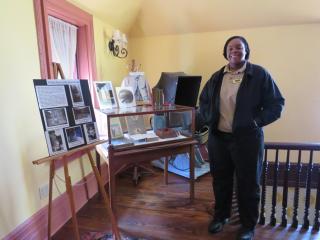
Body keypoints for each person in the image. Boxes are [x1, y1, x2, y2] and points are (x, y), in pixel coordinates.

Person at [199, 36, 284, 240]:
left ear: (246, 51)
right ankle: (221, 217)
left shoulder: (259, 75)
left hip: (247, 140)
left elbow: (277, 104)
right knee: (221, 181)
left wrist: (255, 122)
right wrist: (209, 119)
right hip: (219, 140)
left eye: (239, 47)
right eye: (230, 47)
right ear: (225, 52)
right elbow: (203, 102)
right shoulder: (216, 76)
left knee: (248, 183)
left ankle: (247, 226)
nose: (234, 50)